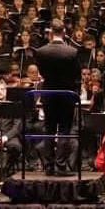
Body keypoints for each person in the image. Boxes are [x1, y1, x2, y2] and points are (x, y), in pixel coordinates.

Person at [34, 19, 80, 176]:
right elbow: (75, 75)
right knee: (64, 130)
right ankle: (61, 166)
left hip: (49, 94)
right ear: (64, 33)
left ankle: (48, 166)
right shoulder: (72, 52)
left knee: (49, 129)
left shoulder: (41, 52)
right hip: (66, 95)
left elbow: (43, 73)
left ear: (50, 33)